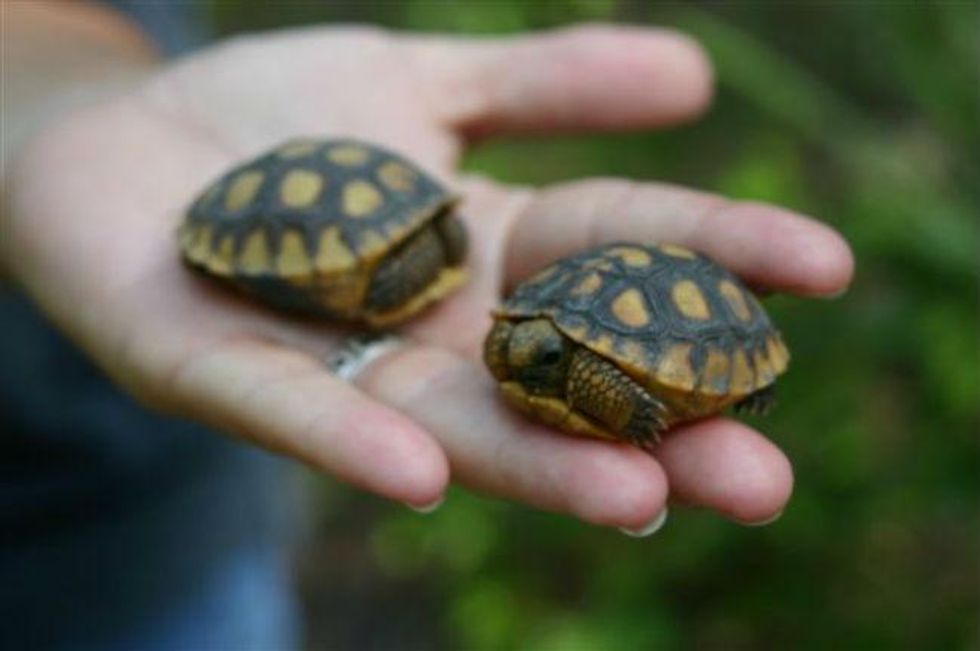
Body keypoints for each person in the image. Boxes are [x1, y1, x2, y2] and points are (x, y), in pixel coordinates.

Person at [2, 2, 854, 649]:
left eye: (527, 345)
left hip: (141, 541)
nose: (509, 351)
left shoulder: (548, 340)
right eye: (519, 341)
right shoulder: (521, 337)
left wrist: (64, 106)